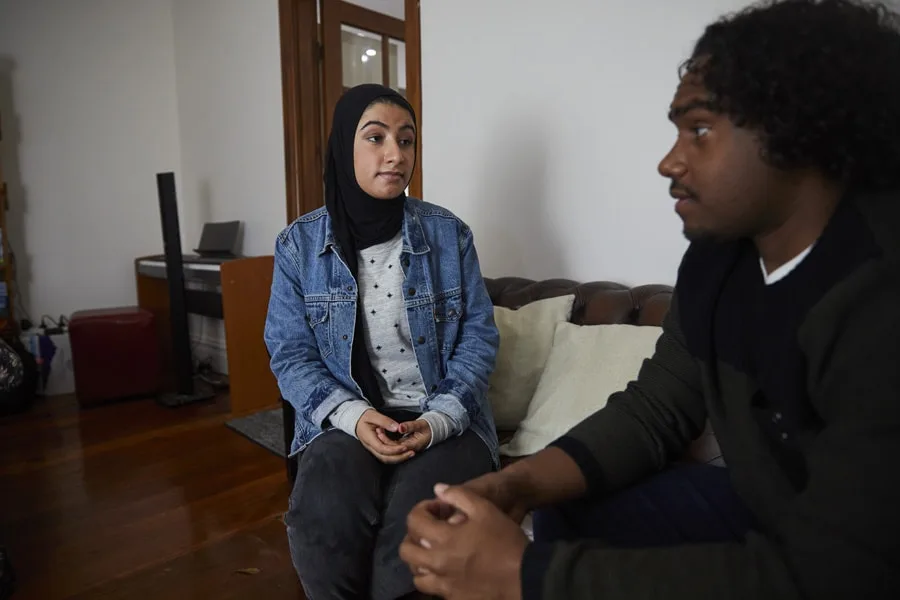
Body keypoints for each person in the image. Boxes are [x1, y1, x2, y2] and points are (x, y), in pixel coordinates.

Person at [399, 1, 900, 598]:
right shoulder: (719, 262)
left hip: (859, 559)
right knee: (574, 508)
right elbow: (656, 410)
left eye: (701, 129)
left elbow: (842, 574)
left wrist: (524, 574)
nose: (670, 160)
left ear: (797, 131)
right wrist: (517, 486)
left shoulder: (879, 298)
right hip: (773, 514)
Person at [264, 83, 500, 600]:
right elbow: (290, 354)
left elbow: (479, 339)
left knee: (418, 523)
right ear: (344, 146)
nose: (396, 155)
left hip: (443, 416)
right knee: (322, 512)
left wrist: (437, 420)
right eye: (376, 138)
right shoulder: (298, 246)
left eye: (407, 140)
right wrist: (353, 416)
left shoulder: (449, 235)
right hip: (350, 414)